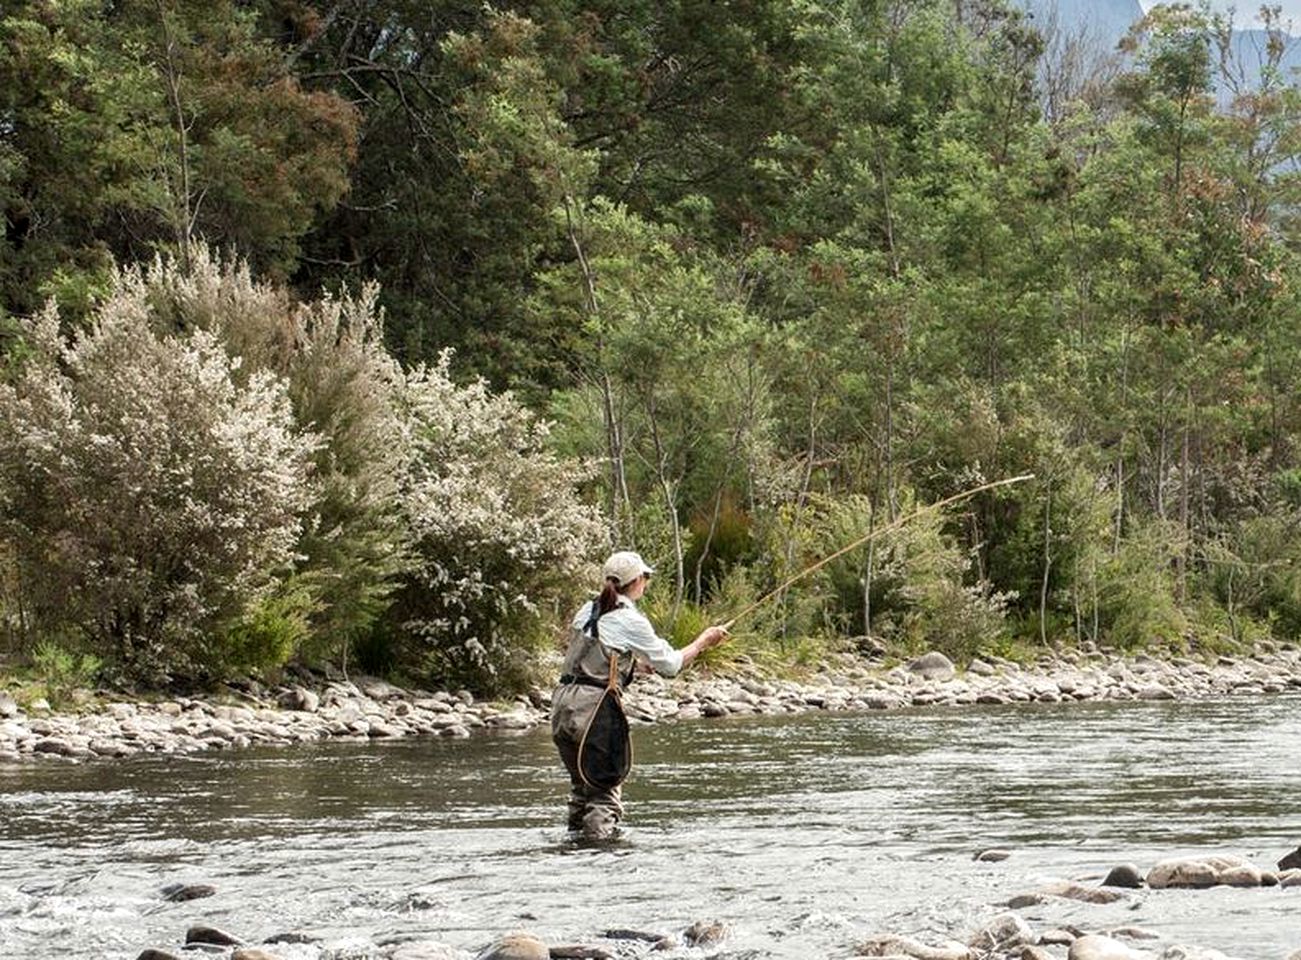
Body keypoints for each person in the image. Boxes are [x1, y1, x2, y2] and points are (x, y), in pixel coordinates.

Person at [550, 550, 729, 840]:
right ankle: (599, 856)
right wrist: (703, 642)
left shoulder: (587, 609)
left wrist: (632, 665)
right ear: (636, 582)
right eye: (645, 577)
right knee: (604, 791)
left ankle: (573, 849)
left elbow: (594, 655)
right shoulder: (630, 619)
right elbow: (671, 665)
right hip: (592, 710)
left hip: (562, 706)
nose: (646, 582)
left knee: (582, 787)